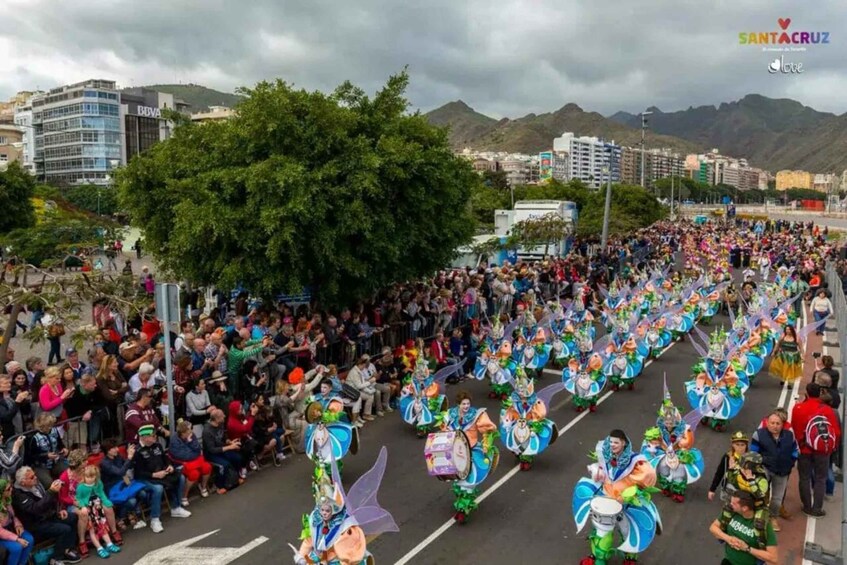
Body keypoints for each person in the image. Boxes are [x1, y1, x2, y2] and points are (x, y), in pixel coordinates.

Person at [574, 429, 659, 565]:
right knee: (601, 530)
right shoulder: (606, 456)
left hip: (626, 503)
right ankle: (598, 557)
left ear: (624, 443)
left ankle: (630, 558)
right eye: (611, 442)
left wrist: (632, 491)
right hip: (607, 498)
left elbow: (649, 477)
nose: (612, 445)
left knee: (627, 531)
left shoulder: (635, 461)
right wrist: (597, 472)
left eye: (616, 442)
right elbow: (605, 474)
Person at [439, 390, 498, 523]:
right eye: (464, 404)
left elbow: (488, 429)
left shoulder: (476, 415)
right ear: (458, 404)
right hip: (454, 451)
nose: (466, 406)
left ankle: (463, 509)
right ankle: (461, 502)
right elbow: (444, 429)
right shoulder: (450, 415)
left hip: (471, 450)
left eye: (468, 403)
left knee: (469, 481)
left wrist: (487, 442)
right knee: (457, 480)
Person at [12, 466, 82, 564]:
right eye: (32, 477)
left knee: (73, 517)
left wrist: (59, 510)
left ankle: (67, 549)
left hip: (48, 515)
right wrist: (51, 491)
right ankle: (56, 558)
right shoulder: (19, 495)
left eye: (35, 475)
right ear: (23, 482)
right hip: (36, 523)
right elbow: (35, 509)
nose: (35, 477)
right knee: (65, 529)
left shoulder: (36, 484)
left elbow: (50, 500)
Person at [791, 382, 841, 517]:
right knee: (820, 478)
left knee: (804, 477)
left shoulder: (798, 408)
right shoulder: (826, 409)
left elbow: (795, 428)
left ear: (807, 393)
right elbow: (836, 432)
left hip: (804, 449)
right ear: (820, 393)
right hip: (822, 450)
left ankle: (807, 506)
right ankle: (817, 508)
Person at [131, 424, 191, 531]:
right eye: (153, 436)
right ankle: (155, 519)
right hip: (145, 478)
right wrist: (154, 475)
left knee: (180, 477)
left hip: (162, 473)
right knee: (158, 488)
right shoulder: (137, 451)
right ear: (144, 438)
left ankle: (176, 507)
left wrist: (170, 466)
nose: (155, 437)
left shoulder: (157, 445)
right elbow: (139, 472)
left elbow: (165, 459)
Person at [750, 410, 798, 532]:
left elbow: (795, 451)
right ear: (767, 423)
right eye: (772, 423)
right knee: (760, 494)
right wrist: (760, 464)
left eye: (778, 423)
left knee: (777, 498)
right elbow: (753, 453)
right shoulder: (758, 435)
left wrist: (791, 462)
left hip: (783, 471)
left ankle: (773, 517)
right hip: (765, 468)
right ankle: (758, 516)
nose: (775, 426)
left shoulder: (789, 435)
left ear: (782, 424)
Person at [710, 491, 778, 565]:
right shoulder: (731, 512)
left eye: (734, 503)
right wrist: (728, 539)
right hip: (728, 561)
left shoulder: (763, 525)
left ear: (744, 508)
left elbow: (773, 558)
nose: (730, 504)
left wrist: (747, 548)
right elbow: (713, 527)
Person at [99, 440, 146, 532]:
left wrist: (131, 456)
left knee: (143, 493)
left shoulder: (118, 457)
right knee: (132, 501)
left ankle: (131, 513)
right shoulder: (104, 463)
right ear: (108, 451)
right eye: (114, 448)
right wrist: (129, 458)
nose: (117, 449)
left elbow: (130, 465)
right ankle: (122, 516)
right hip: (113, 489)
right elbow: (120, 472)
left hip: (124, 484)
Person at [74, 465, 121, 559]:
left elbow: (101, 493)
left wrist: (106, 501)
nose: (90, 479)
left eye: (92, 477)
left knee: (102, 526)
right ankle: (99, 548)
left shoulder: (98, 483)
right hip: (89, 508)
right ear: (84, 476)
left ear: (96, 475)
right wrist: (82, 506)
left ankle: (109, 544)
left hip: (98, 508)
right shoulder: (80, 487)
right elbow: (78, 498)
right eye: (88, 477)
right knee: (92, 530)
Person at [202, 408, 247, 493]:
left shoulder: (221, 424)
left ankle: (236, 478)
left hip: (222, 448)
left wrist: (229, 442)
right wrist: (230, 447)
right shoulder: (207, 431)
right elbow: (212, 450)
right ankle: (219, 486)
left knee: (237, 458)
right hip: (211, 454)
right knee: (224, 465)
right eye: (222, 416)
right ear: (216, 419)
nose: (225, 416)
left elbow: (223, 436)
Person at [168, 420, 212, 504]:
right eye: (189, 430)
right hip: (180, 463)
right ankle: (184, 495)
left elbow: (198, 449)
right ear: (183, 432)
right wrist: (192, 452)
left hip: (194, 461)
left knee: (207, 467)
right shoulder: (174, 440)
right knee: (194, 474)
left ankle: (203, 487)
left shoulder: (192, 435)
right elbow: (182, 456)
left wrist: (190, 442)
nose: (191, 431)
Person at [25, 413, 67, 488]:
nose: (52, 426)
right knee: (49, 483)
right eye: (50, 425)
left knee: (67, 472)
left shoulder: (54, 430)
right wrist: (46, 456)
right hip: (40, 466)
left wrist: (63, 448)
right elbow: (30, 457)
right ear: (43, 426)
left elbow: (59, 442)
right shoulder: (34, 437)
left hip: (55, 462)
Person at [0, 478, 33, 565]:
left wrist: (18, 525)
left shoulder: (7, 501)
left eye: (11, 487)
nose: (11, 490)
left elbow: (13, 516)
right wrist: (16, 539)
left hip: (11, 528)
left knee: (29, 539)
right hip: (2, 534)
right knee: (16, 547)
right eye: (8, 489)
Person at [709, 431, 749, 502]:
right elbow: (719, 473)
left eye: (742, 445)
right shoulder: (727, 457)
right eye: (737, 444)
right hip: (729, 489)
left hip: (744, 490)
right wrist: (712, 489)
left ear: (746, 445)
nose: (740, 447)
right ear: (733, 445)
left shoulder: (750, 458)